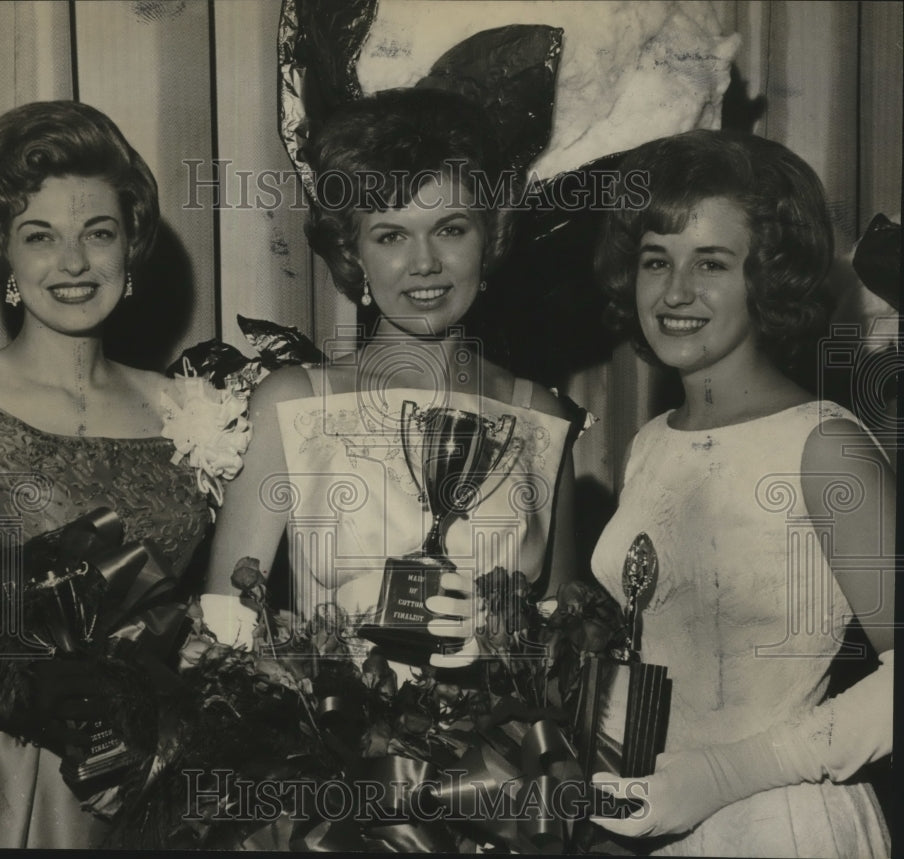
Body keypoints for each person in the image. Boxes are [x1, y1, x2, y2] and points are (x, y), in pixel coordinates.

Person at [0, 101, 212, 848]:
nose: (73, 263)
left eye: (97, 233)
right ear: (2, 253)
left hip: (160, 780)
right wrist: (4, 687)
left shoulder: (189, 409)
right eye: (39, 237)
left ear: (130, 244)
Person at [205, 87, 588, 674]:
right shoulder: (295, 402)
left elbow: (563, 655)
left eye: (451, 229)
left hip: (502, 761)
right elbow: (223, 639)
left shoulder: (543, 413)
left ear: (490, 238)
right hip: (330, 756)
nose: (425, 262)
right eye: (391, 235)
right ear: (353, 255)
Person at [588, 129, 893, 857]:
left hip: (784, 828)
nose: (676, 291)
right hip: (652, 830)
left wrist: (725, 774)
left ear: (769, 277)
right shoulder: (650, 442)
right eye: (656, 260)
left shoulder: (824, 446)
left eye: (712, 263)